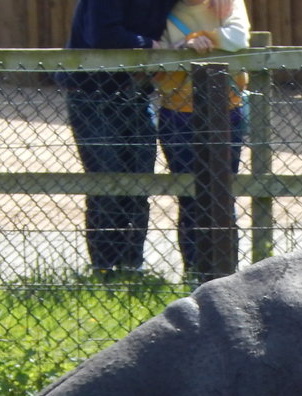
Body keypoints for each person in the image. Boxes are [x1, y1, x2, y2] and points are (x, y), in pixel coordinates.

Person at [62, 0, 178, 275]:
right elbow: (102, 34)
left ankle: (132, 267)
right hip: (92, 93)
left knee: (139, 182)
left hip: (136, 92)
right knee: (108, 181)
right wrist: (150, 46)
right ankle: (103, 269)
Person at [152, 0, 249, 278]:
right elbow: (158, 54)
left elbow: (239, 38)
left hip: (227, 109)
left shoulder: (228, 4)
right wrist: (182, 50)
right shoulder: (162, 8)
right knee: (190, 194)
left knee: (222, 194)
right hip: (178, 112)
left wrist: (199, 39)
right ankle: (194, 271)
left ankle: (227, 274)